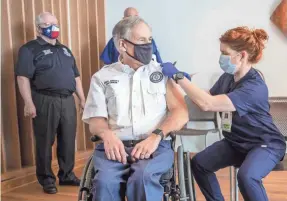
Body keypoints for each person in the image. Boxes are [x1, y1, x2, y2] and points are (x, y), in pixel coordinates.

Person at [161, 27, 286, 201]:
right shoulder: (228, 77)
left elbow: (208, 104)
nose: (221, 57)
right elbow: (207, 96)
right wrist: (180, 88)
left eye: (224, 53)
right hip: (236, 142)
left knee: (247, 176)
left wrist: (180, 78)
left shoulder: (254, 87)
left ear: (241, 55)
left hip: (265, 144)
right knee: (200, 164)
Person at [82, 16, 188, 201]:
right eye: (141, 41)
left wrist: (156, 136)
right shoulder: (102, 77)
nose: (148, 45)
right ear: (123, 45)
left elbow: (181, 113)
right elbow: (96, 120)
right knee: (105, 183)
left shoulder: (161, 72)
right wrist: (108, 136)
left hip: (155, 146)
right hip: (115, 147)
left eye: (149, 40)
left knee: (143, 178)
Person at [15, 12, 85, 194]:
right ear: (38, 28)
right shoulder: (29, 49)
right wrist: (28, 103)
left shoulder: (65, 49)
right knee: (45, 140)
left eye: (54, 23)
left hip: (67, 100)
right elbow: (22, 78)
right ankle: (46, 179)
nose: (52, 26)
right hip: (44, 99)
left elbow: (76, 77)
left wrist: (83, 100)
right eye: (47, 24)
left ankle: (67, 175)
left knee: (68, 139)